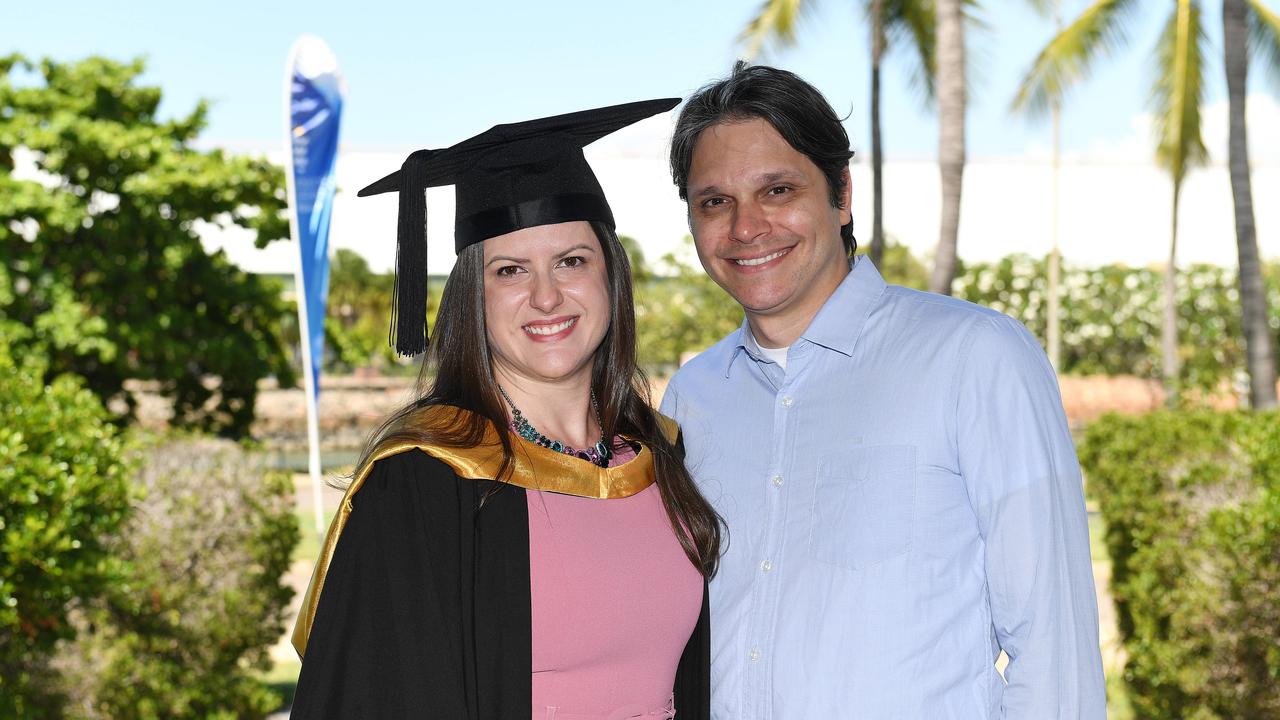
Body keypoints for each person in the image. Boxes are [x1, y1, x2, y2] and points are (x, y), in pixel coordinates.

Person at [659, 62, 1106, 718]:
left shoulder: (976, 358)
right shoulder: (693, 396)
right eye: (715, 201)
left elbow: (1053, 647)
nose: (746, 228)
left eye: (777, 190)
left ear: (841, 193)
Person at [290, 99, 720, 720]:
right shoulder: (426, 479)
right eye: (510, 271)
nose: (547, 296)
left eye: (572, 261)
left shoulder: (660, 454)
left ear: (611, 276)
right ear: (473, 297)